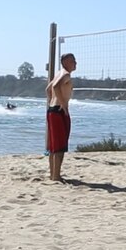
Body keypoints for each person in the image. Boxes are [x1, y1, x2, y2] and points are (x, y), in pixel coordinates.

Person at [46, 53, 77, 181]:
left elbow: (48, 89)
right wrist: (63, 104)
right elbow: (54, 87)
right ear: (64, 62)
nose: (75, 63)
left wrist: (52, 101)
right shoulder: (65, 74)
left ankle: (53, 174)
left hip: (52, 110)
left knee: (54, 146)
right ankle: (56, 176)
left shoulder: (59, 73)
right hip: (58, 111)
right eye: (72, 61)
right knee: (59, 146)